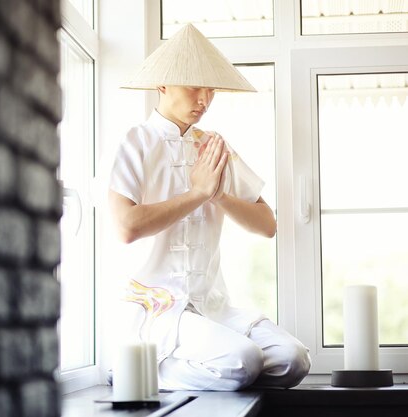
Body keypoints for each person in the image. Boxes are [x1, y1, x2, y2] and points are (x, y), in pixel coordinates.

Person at [108, 24, 310, 391]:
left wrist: (219, 196)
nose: (204, 99)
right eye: (194, 87)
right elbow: (126, 226)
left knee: (292, 359)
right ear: (162, 84)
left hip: (213, 305)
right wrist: (197, 194)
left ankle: (216, 371)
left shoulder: (216, 148)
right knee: (243, 360)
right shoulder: (134, 142)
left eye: (211, 88)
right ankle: (132, 369)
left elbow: (267, 224)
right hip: (157, 305)